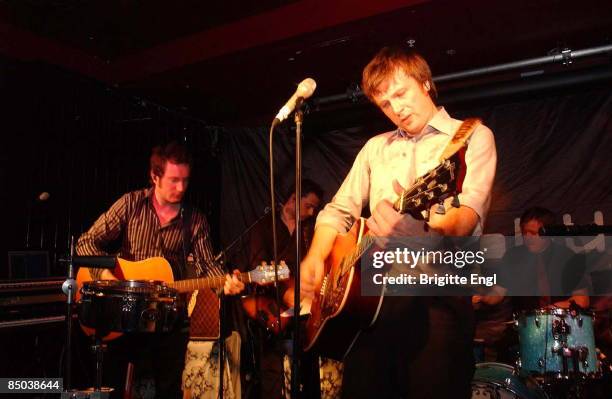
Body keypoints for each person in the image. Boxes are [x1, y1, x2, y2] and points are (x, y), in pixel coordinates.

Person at [300, 46, 497, 398]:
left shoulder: (469, 137)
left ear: (425, 83)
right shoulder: (375, 148)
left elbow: (465, 219)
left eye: (401, 93)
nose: (397, 109)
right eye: (386, 104)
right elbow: (337, 210)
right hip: (369, 309)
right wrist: (316, 256)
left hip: (437, 302)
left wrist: (422, 235)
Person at [77, 141, 244, 398]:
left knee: (169, 390)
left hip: (167, 320)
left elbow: (208, 266)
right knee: (112, 386)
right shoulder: (130, 204)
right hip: (123, 318)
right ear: (155, 176)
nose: (181, 188)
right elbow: (86, 242)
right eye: (174, 180)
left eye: (185, 180)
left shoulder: (195, 219)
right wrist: (107, 277)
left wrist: (225, 283)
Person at [243, 179, 334, 399]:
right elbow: (258, 269)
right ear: (294, 199)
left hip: (304, 309)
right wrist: (285, 291)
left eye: (315, 208)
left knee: (309, 361)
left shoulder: (310, 231)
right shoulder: (264, 226)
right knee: (270, 368)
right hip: (272, 306)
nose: (312, 212)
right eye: (309, 206)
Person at [473, 207, 589, 311]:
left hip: (563, 323)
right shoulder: (513, 256)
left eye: (533, 233)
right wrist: (485, 297)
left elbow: (582, 299)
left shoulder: (567, 256)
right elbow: (499, 291)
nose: (528, 238)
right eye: (524, 233)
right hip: (526, 326)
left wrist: (550, 311)